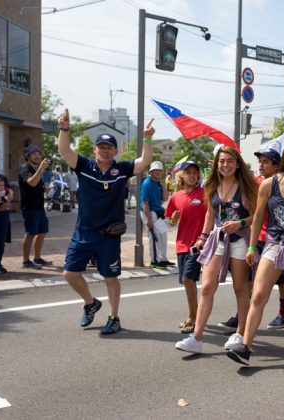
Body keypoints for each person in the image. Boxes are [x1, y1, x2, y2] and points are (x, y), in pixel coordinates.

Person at [57, 109, 154, 335]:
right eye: (101, 147)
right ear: (95, 149)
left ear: (115, 150)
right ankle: (90, 302)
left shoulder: (121, 170)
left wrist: (147, 138)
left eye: (109, 147)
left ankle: (114, 317)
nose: (104, 150)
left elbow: (146, 160)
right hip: (83, 232)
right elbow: (64, 149)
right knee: (69, 273)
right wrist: (64, 128)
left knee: (110, 277)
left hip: (109, 235)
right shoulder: (84, 166)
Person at [227, 141, 284, 366]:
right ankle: (246, 347)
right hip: (273, 244)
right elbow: (258, 217)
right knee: (258, 295)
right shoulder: (269, 184)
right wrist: (251, 247)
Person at [175, 146, 257, 354]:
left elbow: (257, 215)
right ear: (216, 164)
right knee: (207, 287)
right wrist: (203, 237)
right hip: (217, 240)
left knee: (240, 288)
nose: (225, 165)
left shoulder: (247, 187)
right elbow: (210, 216)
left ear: (237, 164)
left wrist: (240, 223)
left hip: (239, 240)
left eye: (230, 161)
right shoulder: (211, 185)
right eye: (222, 161)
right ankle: (196, 338)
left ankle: (239, 334)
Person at [219, 139, 284, 332]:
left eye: (266, 162)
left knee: (281, 280)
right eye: (260, 161)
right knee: (249, 281)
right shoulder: (256, 181)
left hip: (277, 240)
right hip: (256, 239)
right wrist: (222, 168)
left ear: (277, 165)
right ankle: (241, 315)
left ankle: (282, 314)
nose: (261, 165)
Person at [165, 161, 208, 334]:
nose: (192, 175)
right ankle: (195, 312)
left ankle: (192, 316)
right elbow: (171, 221)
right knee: (185, 280)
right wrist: (174, 218)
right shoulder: (176, 196)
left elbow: (211, 217)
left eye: (194, 173)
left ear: (198, 176)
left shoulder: (205, 194)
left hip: (198, 244)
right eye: (188, 172)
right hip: (181, 244)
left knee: (189, 279)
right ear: (181, 176)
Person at [18, 144, 52, 269]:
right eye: (34, 154)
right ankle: (26, 261)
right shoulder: (25, 168)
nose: (37, 156)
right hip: (30, 207)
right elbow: (31, 182)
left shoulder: (37, 168)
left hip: (39, 206)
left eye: (38, 153)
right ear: (28, 157)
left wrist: (45, 189)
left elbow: (37, 185)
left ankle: (37, 258)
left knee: (42, 232)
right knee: (30, 233)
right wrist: (41, 169)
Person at [140, 161, 173, 268]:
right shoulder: (147, 183)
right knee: (154, 236)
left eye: (160, 170)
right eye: (156, 170)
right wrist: (148, 219)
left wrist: (164, 187)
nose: (158, 172)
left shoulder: (159, 183)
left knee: (163, 234)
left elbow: (164, 199)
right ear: (151, 171)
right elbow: (145, 203)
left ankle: (162, 259)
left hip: (157, 212)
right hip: (149, 211)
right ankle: (154, 261)